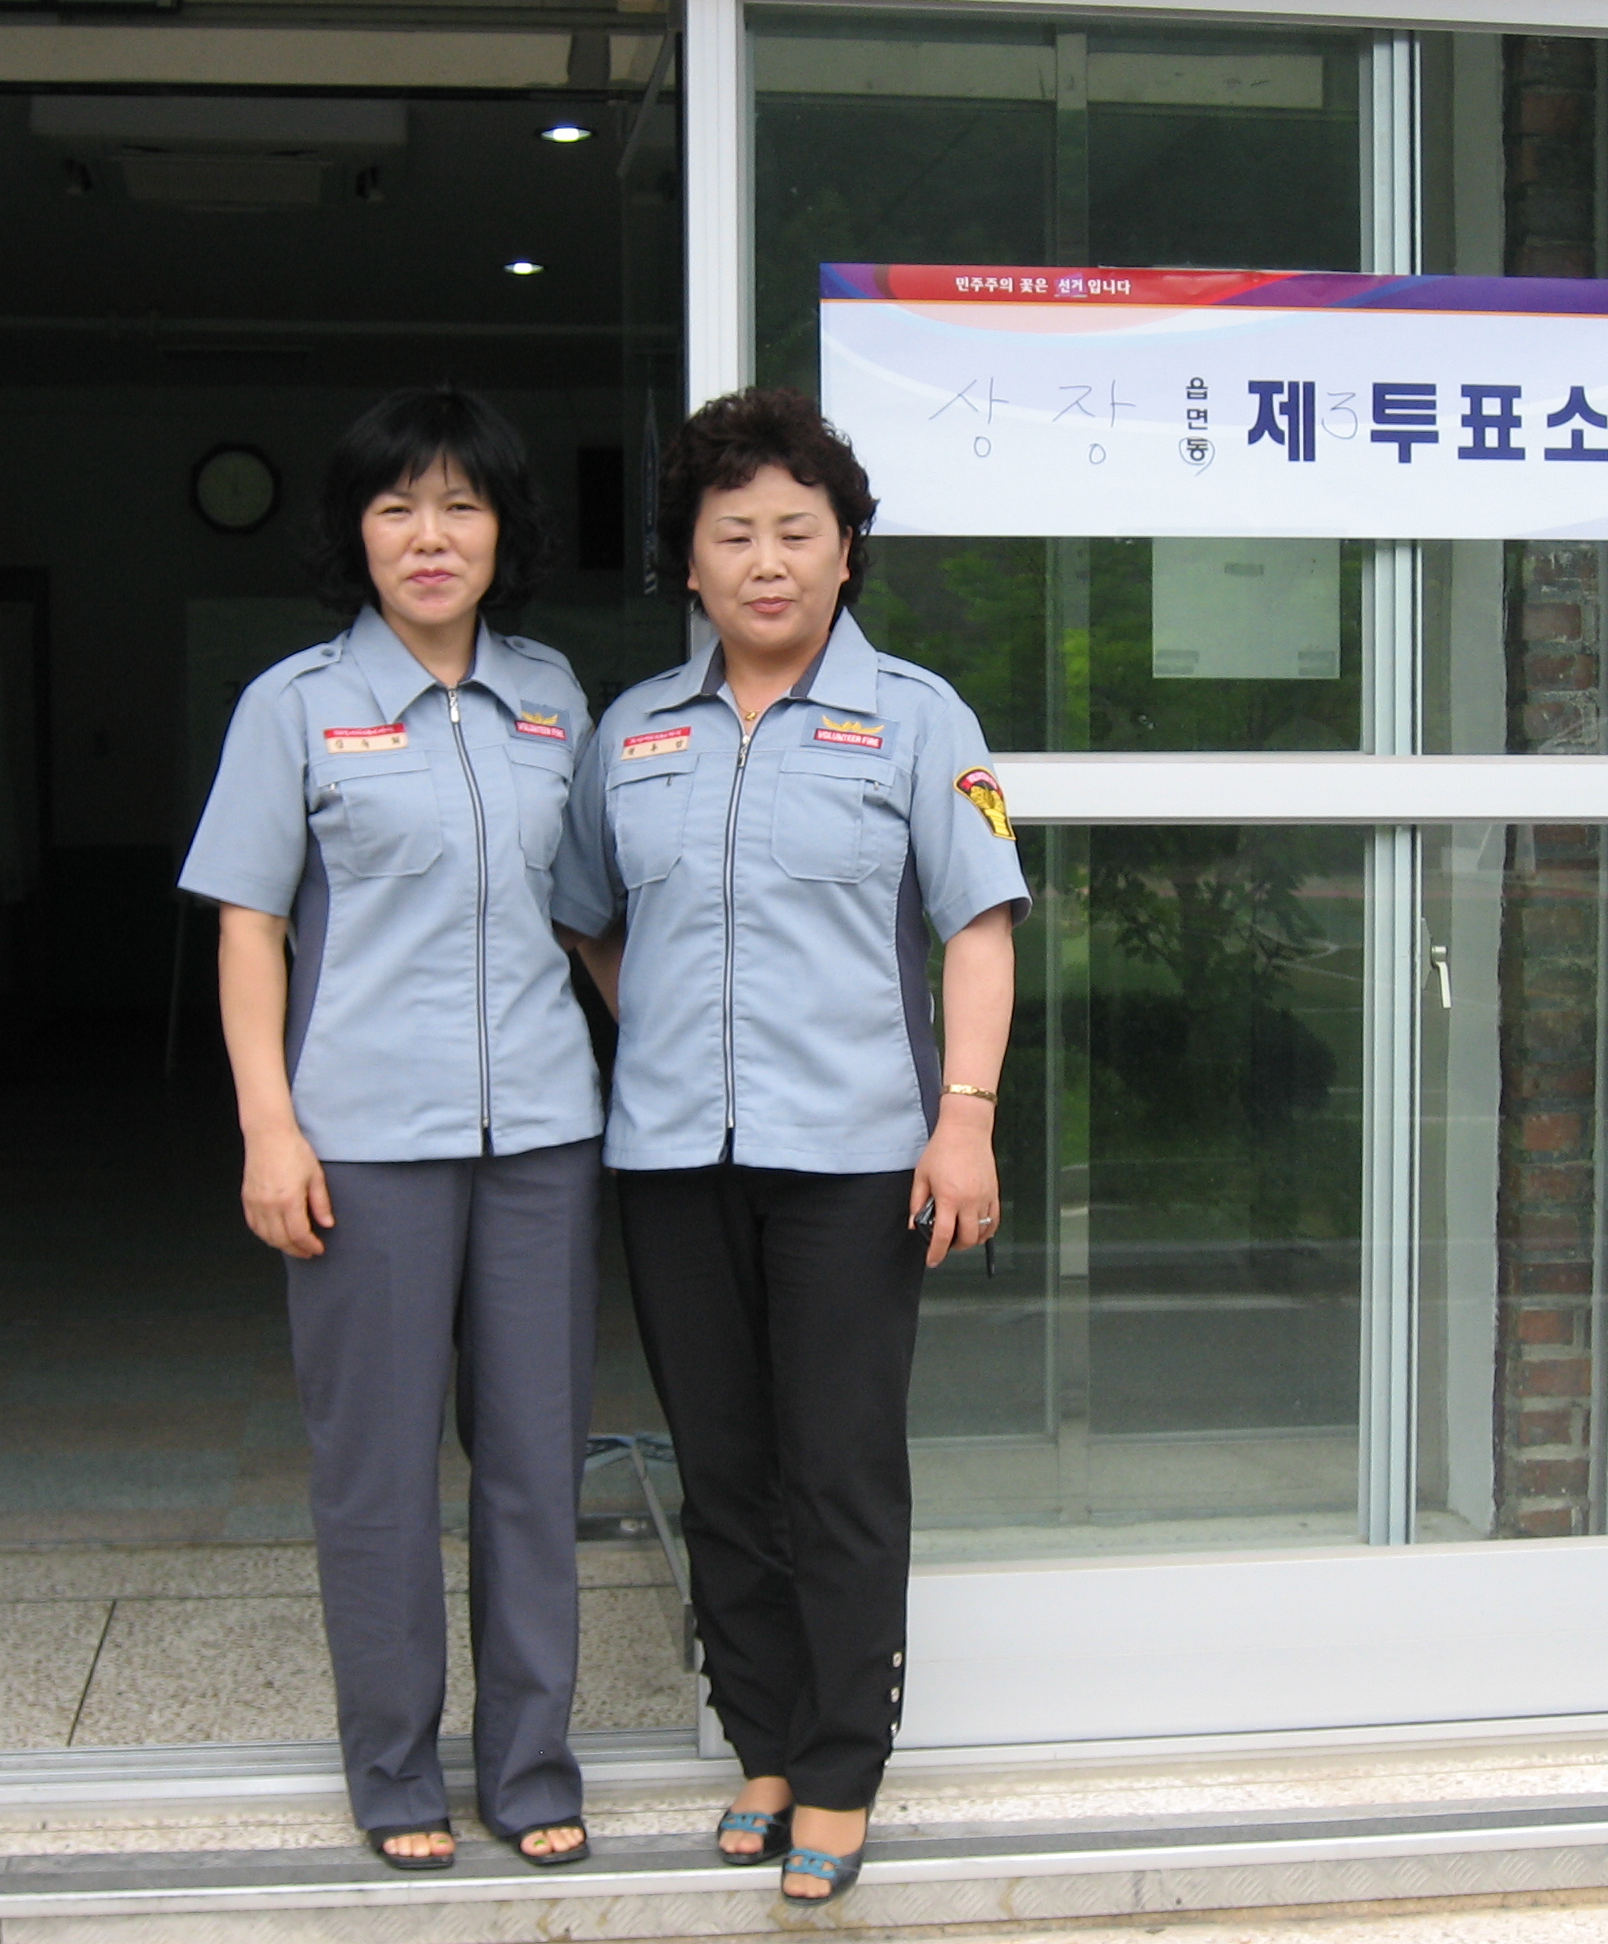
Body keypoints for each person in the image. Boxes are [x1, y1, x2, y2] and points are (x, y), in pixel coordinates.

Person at [555, 387, 1027, 1905]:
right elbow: (590, 917)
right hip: (673, 1160)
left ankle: (838, 1767)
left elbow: (979, 926)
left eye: (797, 532)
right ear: (688, 562)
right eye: (733, 533)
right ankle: (760, 1744)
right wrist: (666, 1032)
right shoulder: (633, 731)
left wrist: (964, 1118)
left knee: (836, 1470)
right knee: (723, 1467)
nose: (766, 561)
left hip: (857, 1158)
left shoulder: (919, 719)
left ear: (845, 552)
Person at [180, 386, 600, 1872]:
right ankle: (396, 1769)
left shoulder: (555, 698)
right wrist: (268, 1129)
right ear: (355, 534)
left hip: (544, 1137)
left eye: (461, 506)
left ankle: (531, 1768)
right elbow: (248, 927)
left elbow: (593, 915)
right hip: (361, 1141)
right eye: (397, 507)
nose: (431, 537)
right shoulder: (293, 705)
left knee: (536, 1468)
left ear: (502, 532)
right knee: (375, 1476)